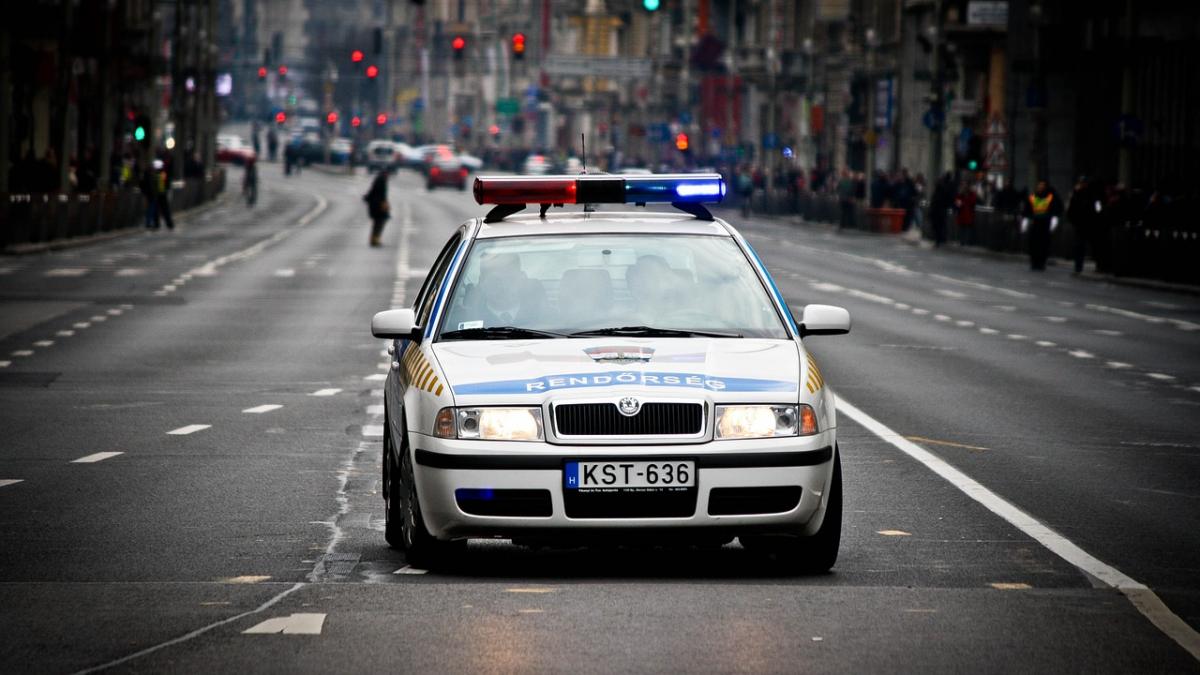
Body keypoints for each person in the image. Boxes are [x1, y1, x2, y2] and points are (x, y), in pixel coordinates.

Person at [1021, 179, 1062, 271]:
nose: (1040, 187)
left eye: (1042, 186)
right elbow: (1027, 210)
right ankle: (1034, 262)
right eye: (1039, 185)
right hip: (1035, 224)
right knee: (1033, 244)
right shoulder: (1032, 197)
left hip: (1045, 224)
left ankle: (1041, 263)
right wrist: (1025, 220)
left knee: (1044, 245)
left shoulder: (1050, 198)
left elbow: (1056, 209)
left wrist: (1054, 220)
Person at [1067, 175, 1102, 275]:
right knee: (1079, 246)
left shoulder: (1093, 194)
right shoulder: (1076, 194)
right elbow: (1071, 208)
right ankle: (1078, 267)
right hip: (1080, 223)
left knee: (1094, 245)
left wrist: (1097, 219)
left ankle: (1098, 265)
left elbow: (1098, 208)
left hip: (1091, 223)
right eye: (1081, 183)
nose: (1082, 185)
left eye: (1084, 183)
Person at [363, 166, 390, 247]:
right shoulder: (382, 180)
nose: (388, 176)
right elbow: (382, 195)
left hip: (374, 205)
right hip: (378, 206)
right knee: (379, 222)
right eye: (387, 174)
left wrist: (367, 198)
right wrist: (384, 204)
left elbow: (372, 192)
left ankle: (374, 239)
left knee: (377, 222)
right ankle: (375, 239)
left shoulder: (378, 179)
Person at [929, 172, 956, 247]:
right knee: (940, 225)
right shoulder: (947, 187)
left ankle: (939, 239)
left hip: (939, 209)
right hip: (941, 209)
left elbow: (936, 200)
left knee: (938, 225)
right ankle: (940, 239)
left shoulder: (942, 188)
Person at [954, 180, 978, 246]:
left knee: (966, 229)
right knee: (962, 229)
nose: (964, 187)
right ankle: (962, 241)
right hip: (962, 215)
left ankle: (966, 241)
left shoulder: (971, 194)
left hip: (968, 215)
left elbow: (973, 202)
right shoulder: (960, 195)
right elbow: (957, 203)